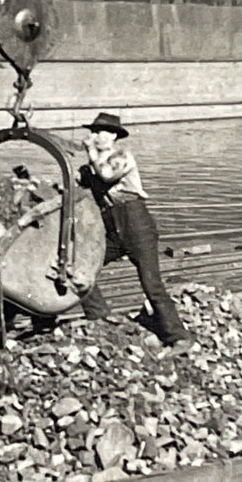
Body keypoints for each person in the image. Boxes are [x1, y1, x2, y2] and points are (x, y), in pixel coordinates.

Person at [78, 113, 196, 355]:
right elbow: (81, 186)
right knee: (82, 267)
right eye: (94, 131)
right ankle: (98, 315)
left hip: (136, 223)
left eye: (101, 132)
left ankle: (180, 337)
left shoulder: (121, 156)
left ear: (113, 136)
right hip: (113, 227)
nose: (96, 136)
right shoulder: (90, 166)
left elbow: (107, 175)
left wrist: (91, 154)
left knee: (151, 284)